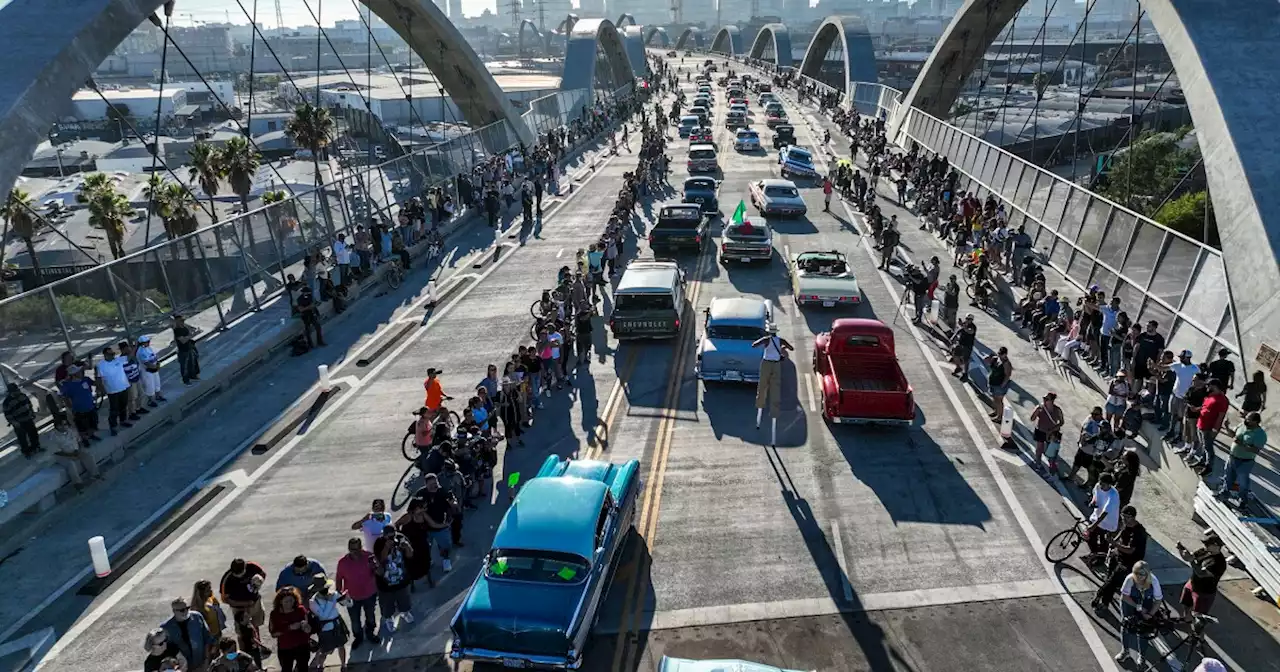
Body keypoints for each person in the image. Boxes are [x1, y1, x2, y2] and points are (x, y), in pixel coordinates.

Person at [1091, 505, 1148, 610]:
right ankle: (1105, 602)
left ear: (1133, 517)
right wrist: (1113, 543)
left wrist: (1115, 544)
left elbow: (1130, 550)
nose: (1124, 519)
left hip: (1129, 562)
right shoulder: (1127, 524)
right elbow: (1122, 533)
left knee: (1113, 581)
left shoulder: (1138, 532)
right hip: (1118, 556)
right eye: (1123, 517)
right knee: (1110, 580)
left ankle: (1099, 595)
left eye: (1126, 517)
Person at [1114, 560, 1163, 665]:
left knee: (1144, 628)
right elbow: (1124, 596)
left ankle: (1142, 656)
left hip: (1146, 602)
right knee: (1126, 625)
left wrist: (1149, 615)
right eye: (1136, 573)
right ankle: (1125, 650)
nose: (1139, 576)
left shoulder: (1153, 581)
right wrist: (1138, 607)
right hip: (1130, 602)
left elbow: (1158, 600)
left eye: (1142, 574)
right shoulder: (1130, 579)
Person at [335, 537, 380, 649]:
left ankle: (370, 633)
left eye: (357, 549)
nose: (354, 552)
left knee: (370, 616)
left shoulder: (369, 557)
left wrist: (375, 566)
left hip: (369, 594)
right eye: (352, 549)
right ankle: (358, 637)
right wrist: (339, 594)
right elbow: (339, 578)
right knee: (355, 620)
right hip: (352, 597)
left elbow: (379, 573)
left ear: (361, 547)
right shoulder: (342, 562)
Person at [372, 524, 415, 636]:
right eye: (389, 536)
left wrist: (407, 547)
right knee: (387, 603)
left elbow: (410, 555)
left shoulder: (401, 538)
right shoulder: (379, 543)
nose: (392, 538)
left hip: (401, 578)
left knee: (404, 599)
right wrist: (387, 547)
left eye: (393, 536)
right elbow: (381, 560)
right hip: (386, 581)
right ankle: (388, 618)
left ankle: (405, 612)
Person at [751, 327, 794, 437]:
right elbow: (791, 348)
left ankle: (760, 406)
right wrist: (782, 348)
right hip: (776, 365)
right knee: (775, 388)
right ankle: (774, 413)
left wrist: (763, 342)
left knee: (762, 386)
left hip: (766, 364)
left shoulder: (766, 339)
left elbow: (754, 344)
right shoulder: (781, 340)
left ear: (769, 332)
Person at [1217, 411, 1267, 503]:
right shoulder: (1242, 425)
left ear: (1255, 422)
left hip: (1245, 461)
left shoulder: (1260, 434)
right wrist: (1227, 427)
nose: (1246, 420)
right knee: (1228, 477)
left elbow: (1256, 450)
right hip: (1232, 457)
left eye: (1248, 419)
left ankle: (1243, 499)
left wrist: (1242, 444)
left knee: (1243, 481)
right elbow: (1234, 435)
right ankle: (1224, 493)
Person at [1177, 532, 1228, 620]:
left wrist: (1191, 561)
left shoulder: (1219, 563)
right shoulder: (1204, 551)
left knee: (1198, 616)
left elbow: (1201, 573)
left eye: (1207, 544)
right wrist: (1181, 549)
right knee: (1185, 604)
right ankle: (1187, 619)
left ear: (1216, 545)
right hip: (1192, 584)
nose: (1205, 545)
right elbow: (1190, 558)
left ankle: (1196, 632)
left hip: (1204, 592)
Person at [161, 596, 215, 671]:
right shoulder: (166, 627)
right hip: (182, 667)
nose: (186, 612)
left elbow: (207, 638)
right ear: (174, 611)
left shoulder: (197, 617)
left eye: (187, 608)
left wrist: (206, 660)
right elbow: (166, 650)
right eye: (182, 610)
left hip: (201, 663)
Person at [1188, 378, 1230, 476]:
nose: (1207, 387)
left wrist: (1215, 429)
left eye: (1209, 386)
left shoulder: (1222, 400)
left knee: (1208, 448)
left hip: (1209, 428)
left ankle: (1209, 467)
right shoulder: (1210, 396)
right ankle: (1202, 461)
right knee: (1203, 445)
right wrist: (1196, 409)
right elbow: (1205, 407)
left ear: (1214, 386)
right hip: (1201, 424)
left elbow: (1221, 416)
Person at [267, 587, 311, 672]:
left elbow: (308, 629)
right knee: (286, 669)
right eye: (286, 601)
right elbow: (273, 634)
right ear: (280, 602)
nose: (289, 604)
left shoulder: (300, 610)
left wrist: (305, 627)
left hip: (302, 645)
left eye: (291, 600)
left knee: (303, 668)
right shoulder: (275, 614)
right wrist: (289, 628)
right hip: (285, 648)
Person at [308, 578, 349, 670]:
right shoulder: (313, 602)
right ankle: (320, 666)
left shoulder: (334, 595)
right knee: (325, 650)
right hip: (325, 628)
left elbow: (348, 604)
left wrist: (346, 598)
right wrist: (330, 601)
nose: (325, 590)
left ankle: (343, 665)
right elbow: (324, 616)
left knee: (341, 646)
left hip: (337, 624)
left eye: (326, 588)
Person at [219, 559, 267, 631]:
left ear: (245, 567)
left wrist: (259, 582)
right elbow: (225, 599)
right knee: (242, 630)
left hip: (255, 602)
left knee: (256, 624)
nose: (238, 575)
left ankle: (256, 639)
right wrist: (245, 603)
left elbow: (263, 574)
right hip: (239, 608)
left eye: (240, 573)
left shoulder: (251, 566)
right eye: (236, 574)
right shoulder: (227, 579)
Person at [95, 344, 132, 436]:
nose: (113, 355)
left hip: (123, 387)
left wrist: (133, 346)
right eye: (110, 354)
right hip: (112, 391)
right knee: (114, 409)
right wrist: (101, 389)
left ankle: (123, 420)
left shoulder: (119, 360)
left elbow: (130, 356)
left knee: (123, 405)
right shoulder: (101, 365)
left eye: (113, 354)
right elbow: (98, 378)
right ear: (105, 355)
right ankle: (113, 426)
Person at [1086, 473, 1121, 559]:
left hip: (1107, 522)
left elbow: (1105, 513)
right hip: (1097, 515)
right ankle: (1094, 554)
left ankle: (1100, 558)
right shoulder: (1098, 485)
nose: (1101, 486)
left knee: (1103, 541)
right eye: (1100, 483)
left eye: (1103, 484)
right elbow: (1095, 494)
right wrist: (1093, 501)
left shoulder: (1113, 495)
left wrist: (1093, 526)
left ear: (1109, 484)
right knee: (1091, 537)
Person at [1029, 392, 1065, 473]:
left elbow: (1062, 422)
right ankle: (1038, 463)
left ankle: (1052, 465)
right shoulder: (1040, 408)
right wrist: (1036, 412)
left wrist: (1052, 430)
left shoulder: (1057, 410)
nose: (1044, 400)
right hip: (1040, 431)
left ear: (1052, 400)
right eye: (1044, 398)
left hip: (1052, 433)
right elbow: (1032, 419)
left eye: (1046, 399)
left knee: (1051, 450)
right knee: (1039, 449)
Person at [4, 382, 41, 457]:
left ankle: (36, 447)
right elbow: (8, 414)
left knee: (33, 434)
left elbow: (29, 404)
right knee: (22, 439)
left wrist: (32, 412)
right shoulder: (7, 402)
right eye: (16, 391)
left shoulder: (23, 396)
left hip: (28, 419)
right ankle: (26, 452)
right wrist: (14, 422)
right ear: (12, 392)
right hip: (18, 422)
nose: (18, 392)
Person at [984, 347, 1012, 423]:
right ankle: (996, 411)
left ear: (1005, 354)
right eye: (999, 353)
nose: (999, 355)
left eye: (1001, 354)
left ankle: (1000, 416)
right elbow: (986, 360)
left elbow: (1008, 375)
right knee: (995, 399)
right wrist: (991, 358)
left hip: (999, 385)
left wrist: (1003, 385)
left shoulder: (1006, 363)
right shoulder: (997, 359)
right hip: (993, 383)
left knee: (999, 401)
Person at [136, 334, 165, 406]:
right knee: (149, 385)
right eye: (146, 342)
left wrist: (158, 365)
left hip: (154, 369)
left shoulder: (149, 348)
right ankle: (150, 401)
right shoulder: (140, 352)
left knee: (157, 382)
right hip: (147, 371)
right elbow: (147, 363)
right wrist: (155, 367)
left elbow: (155, 356)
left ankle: (158, 396)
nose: (148, 343)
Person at [173, 314, 201, 386]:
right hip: (183, 350)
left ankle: (193, 375)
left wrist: (192, 335)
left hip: (189, 348)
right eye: (180, 321)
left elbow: (188, 337)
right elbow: (183, 340)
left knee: (192, 363)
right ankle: (186, 380)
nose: (182, 322)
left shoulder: (184, 328)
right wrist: (191, 335)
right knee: (184, 366)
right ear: (177, 321)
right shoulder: (177, 330)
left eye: (182, 321)